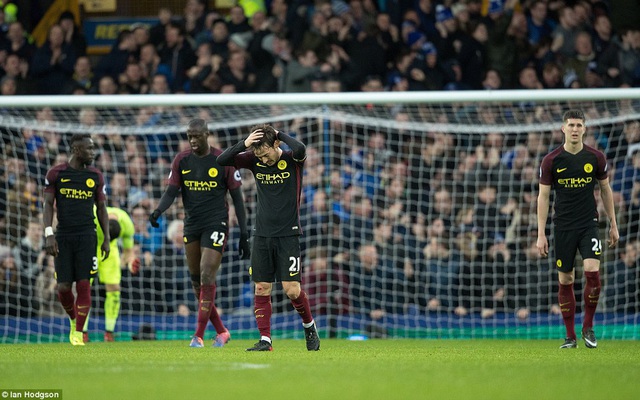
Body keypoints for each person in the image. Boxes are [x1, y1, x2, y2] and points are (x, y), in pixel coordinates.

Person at [217, 123, 320, 351]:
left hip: (288, 234)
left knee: (291, 289)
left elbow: (301, 147)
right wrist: (245, 144)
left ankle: (309, 326)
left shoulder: (293, 159)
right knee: (261, 287)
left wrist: (279, 134)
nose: (263, 160)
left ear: (276, 144)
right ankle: (265, 340)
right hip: (261, 234)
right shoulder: (254, 159)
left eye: (265, 154)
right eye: (258, 156)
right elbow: (222, 160)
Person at [148, 118, 250, 348]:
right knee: (196, 282)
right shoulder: (182, 160)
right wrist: (157, 211)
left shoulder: (223, 159)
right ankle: (222, 331)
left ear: (206, 134)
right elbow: (171, 192)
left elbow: (238, 200)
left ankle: (198, 335)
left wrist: (244, 234)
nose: (193, 140)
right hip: (192, 225)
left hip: (216, 224)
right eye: (189, 136)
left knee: (206, 275)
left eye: (196, 136)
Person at [536, 109, 619, 349]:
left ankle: (588, 327)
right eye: (570, 125)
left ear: (585, 129)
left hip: (588, 224)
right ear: (563, 128)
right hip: (562, 227)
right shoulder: (551, 160)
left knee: (593, 272)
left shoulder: (596, 157)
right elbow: (543, 197)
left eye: (578, 125)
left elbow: (605, 190)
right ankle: (570, 336)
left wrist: (613, 224)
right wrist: (541, 234)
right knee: (566, 280)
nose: (574, 129)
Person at [43, 134, 110, 346]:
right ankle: (73, 321)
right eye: (89, 149)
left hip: (87, 236)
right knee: (63, 287)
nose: (93, 153)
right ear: (76, 150)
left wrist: (106, 238)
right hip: (63, 236)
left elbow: (101, 208)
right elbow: (47, 204)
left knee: (84, 285)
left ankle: (79, 332)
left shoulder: (96, 176)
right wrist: (48, 233)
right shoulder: (56, 173)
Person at [83, 207, 138, 342]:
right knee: (83, 287)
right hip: (89, 245)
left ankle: (109, 332)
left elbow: (128, 251)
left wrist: (131, 263)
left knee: (114, 288)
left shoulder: (127, 223)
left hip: (110, 249)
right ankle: (81, 331)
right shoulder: (92, 214)